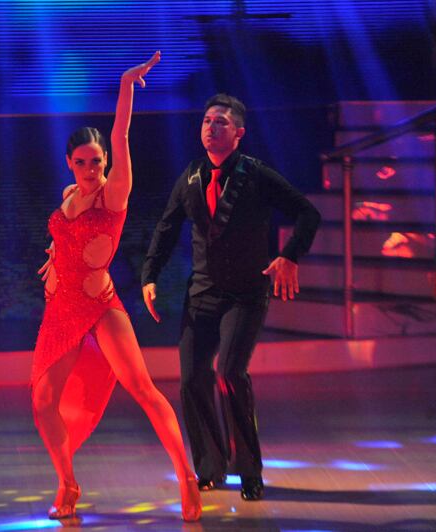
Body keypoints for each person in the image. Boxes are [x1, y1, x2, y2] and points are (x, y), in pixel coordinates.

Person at [31, 51, 202, 522]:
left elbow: (122, 134)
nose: (91, 168)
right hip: (60, 309)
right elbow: (67, 235)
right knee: (43, 403)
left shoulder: (113, 193)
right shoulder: (70, 195)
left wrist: (126, 87)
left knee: (143, 388)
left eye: (97, 160)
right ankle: (68, 483)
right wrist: (55, 255)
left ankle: (186, 476)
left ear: (106, 160)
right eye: (82, 162)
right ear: (69, 163)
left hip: (100, 304)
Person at [141, 94, 321, 501]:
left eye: (220, 122)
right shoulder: (191, 176)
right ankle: (210, 466)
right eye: (207, 120)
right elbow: (167, 228)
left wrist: (289, 255)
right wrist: (150, 275)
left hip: (245, 293)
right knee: (192, 378)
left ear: (239, 132)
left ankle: (250, 471)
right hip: (203, 292)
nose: (211, 127)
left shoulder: (255, 174)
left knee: (230, 373)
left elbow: (308, 212)